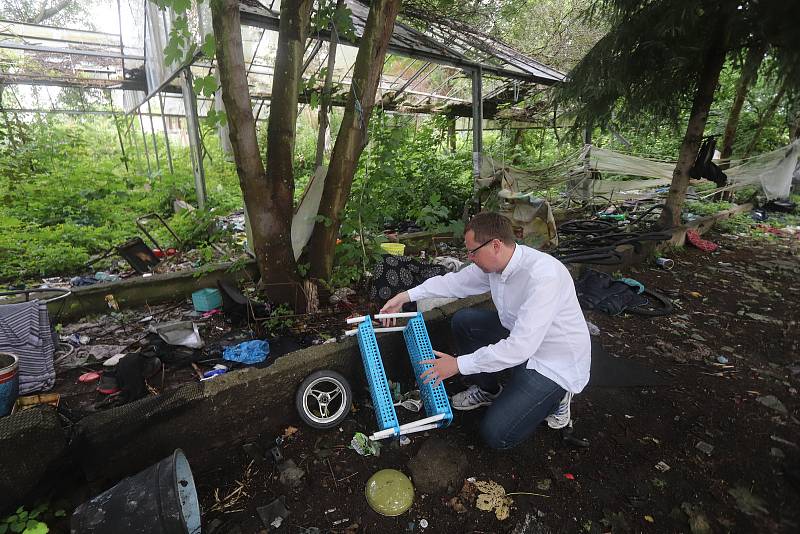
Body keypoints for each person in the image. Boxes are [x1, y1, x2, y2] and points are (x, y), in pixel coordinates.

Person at [380, 212, 591, 449]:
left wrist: (458, 365)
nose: (470, 257)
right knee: (465, 321)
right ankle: (488, 389)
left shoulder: (543, 276)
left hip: (554, 359)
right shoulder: (493, 266)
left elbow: (521, 347)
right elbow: (453, 283)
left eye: (473, 251)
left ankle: (558, 396)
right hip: (522, 337)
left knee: (496, 434)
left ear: (496, 245)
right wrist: (405, 296)